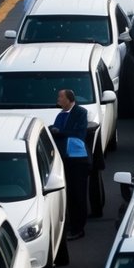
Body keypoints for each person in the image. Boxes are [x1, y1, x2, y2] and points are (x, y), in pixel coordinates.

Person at [51, 89, 90, 240]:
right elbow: (57, 130)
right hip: (64, 159)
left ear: (69, 99)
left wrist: (59, 132)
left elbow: (78, 133)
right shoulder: (60, 115)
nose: (58, 99)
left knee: (78, 194)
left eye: (60, 97)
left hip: (77, 159)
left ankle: (79, 228)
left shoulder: (80, 112)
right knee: (69, 194)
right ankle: (71, 225)